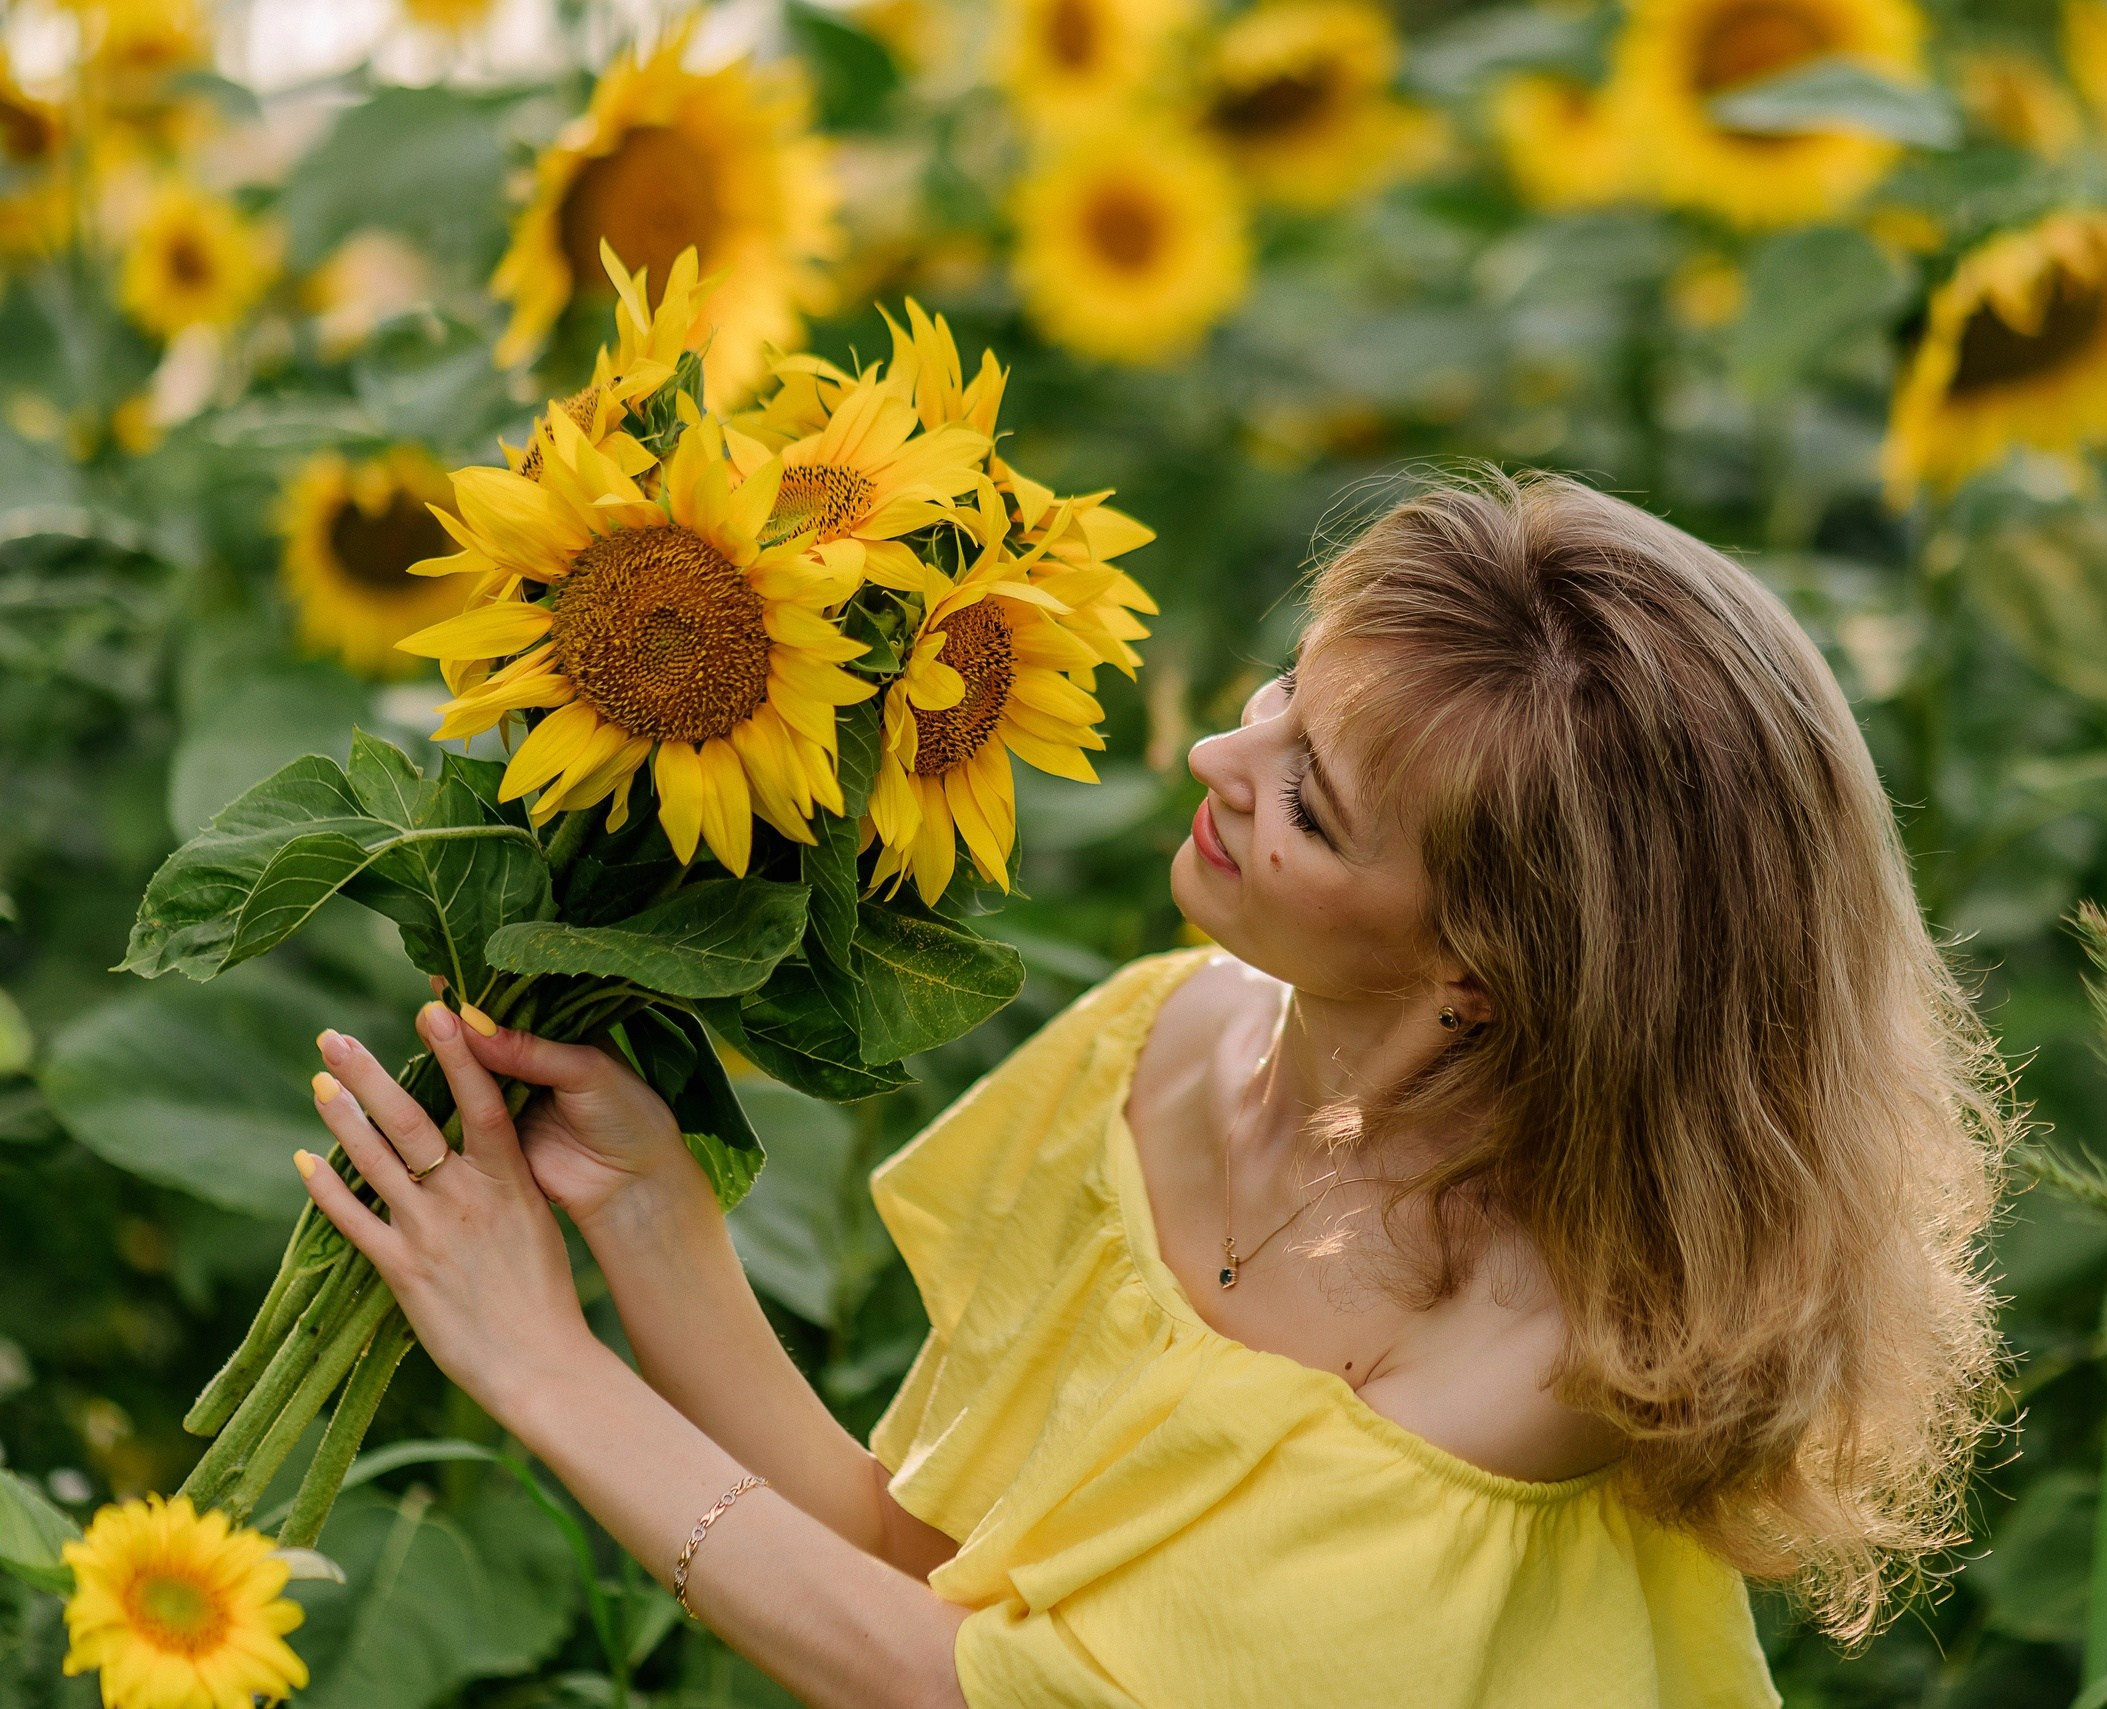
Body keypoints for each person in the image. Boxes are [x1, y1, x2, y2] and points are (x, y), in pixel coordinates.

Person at [295, 470, 2014, 1709]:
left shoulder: (1527, 1363)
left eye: (1313, 805)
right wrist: (650, 1219)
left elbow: (972, 1694)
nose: (1218, 759)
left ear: (1485, 974)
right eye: (1284, 697)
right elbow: (930, 1563)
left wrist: (534, 1357)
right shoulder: (1167, 1043)